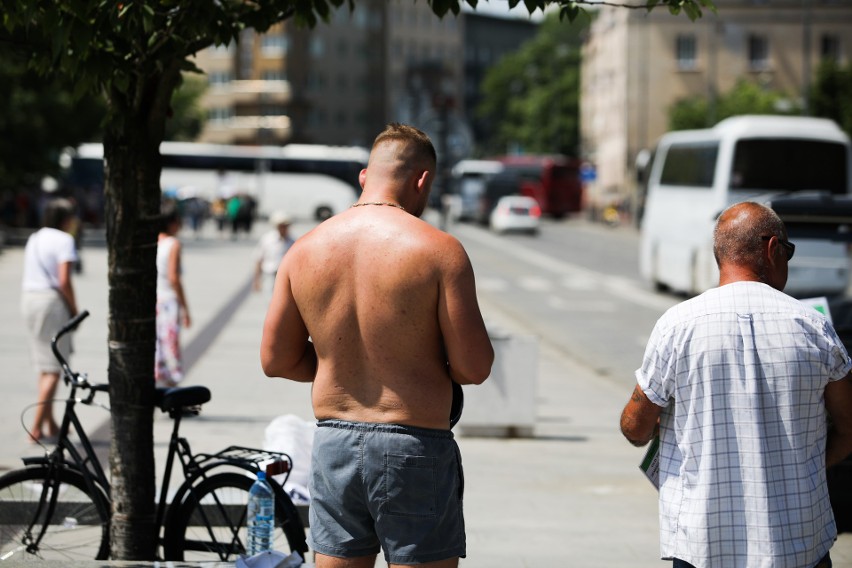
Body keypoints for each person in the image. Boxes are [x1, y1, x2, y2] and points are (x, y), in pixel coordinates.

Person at [260, 123, 494, 568]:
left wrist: (337, 357)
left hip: (332, 441)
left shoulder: (303, 250)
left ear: (364, 177)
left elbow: (276, 359)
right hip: (414, 445)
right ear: (422, 180)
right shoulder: (440, 251)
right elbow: (474, 367)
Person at [620, 201, 852, 568]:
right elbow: (848, 428)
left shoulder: (677, 325)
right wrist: (798, 467)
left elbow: (634, 427)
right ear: (773, 249)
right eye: (788, 251)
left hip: (704, 546)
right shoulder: (814, 326)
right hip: (798, 543)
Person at [21, 198, 79, 443]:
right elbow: (64, 280)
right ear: (66, 219)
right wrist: (74, 309)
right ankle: (35, 428)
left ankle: (50, 423)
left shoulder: (35, 238)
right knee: (54, 368)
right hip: (51, 302)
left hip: (29, 299)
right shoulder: (65, 240)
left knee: (44, 365)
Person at [155, 208, 191, 387]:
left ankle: (159, 379)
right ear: (171, 223)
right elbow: (173, 277)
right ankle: (172, 384)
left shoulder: (154, 241)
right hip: (169, 299)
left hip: (155, 299)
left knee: (158, 343)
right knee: (171, 343)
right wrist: (185, 307)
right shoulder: (173, 244)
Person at [253, 210, 295, 292]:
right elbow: (259, 259)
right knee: (269, 301)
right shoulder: (267, 239)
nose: (284, 228)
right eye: (281, 226)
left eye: (285, 226)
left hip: (285, 277)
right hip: (269, 275)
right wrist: (257, 280)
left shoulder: (292, 241)